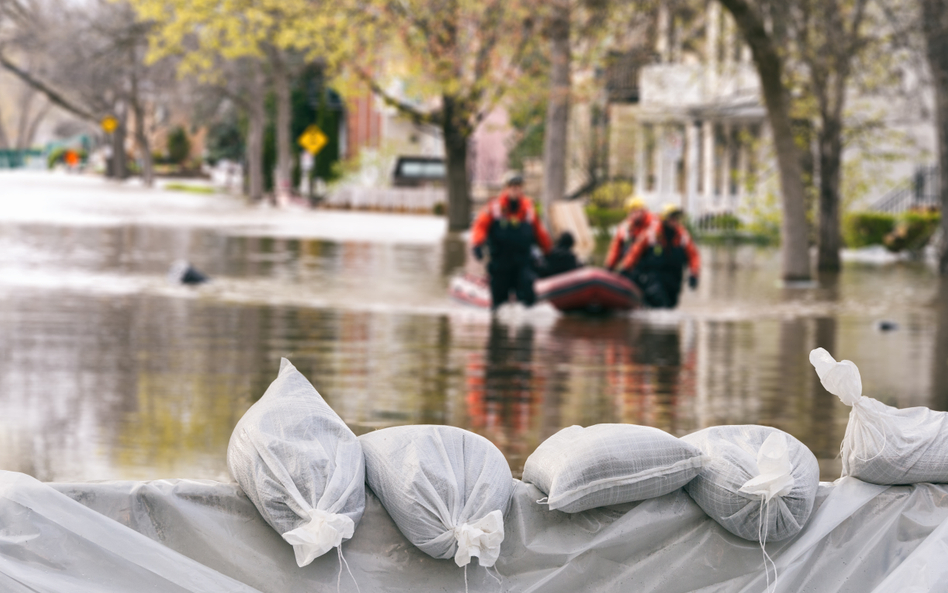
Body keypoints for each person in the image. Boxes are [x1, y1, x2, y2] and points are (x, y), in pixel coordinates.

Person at [471, 172, 552, 309]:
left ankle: (526, 327)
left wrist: (549, 251)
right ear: (506, 189)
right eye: (512, 186)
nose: (515, 189)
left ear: (522, 189)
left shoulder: (528, 209)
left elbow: (540, 233)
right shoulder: (494, 208)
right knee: (498, 304)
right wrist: (477, 244)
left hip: (523, 262)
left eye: (518, 186)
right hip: (501, 262)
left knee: (528, 298)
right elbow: (480, 226)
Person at [617, 204, 700, 308]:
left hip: (674, 278)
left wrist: (694, 274)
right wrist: (626, 268)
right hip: (654, 276)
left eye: (676, 218)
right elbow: (635, 251)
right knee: (658, 300)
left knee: (671, 305)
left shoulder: (683, 236)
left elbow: (693, 255)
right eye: (672, 218)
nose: (675, 221)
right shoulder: (651, 233)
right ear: (664, 219)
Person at [605, 195, 656, 272]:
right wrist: (609, 266)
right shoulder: (625, 226)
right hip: (632, 266)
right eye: (631, 211)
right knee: (625, 244)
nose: (634, 214)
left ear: (643, 211)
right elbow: (615, 247)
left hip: (648, 266)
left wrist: (626, 267)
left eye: (636, 211)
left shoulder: (652, 224)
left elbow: (639, 246)